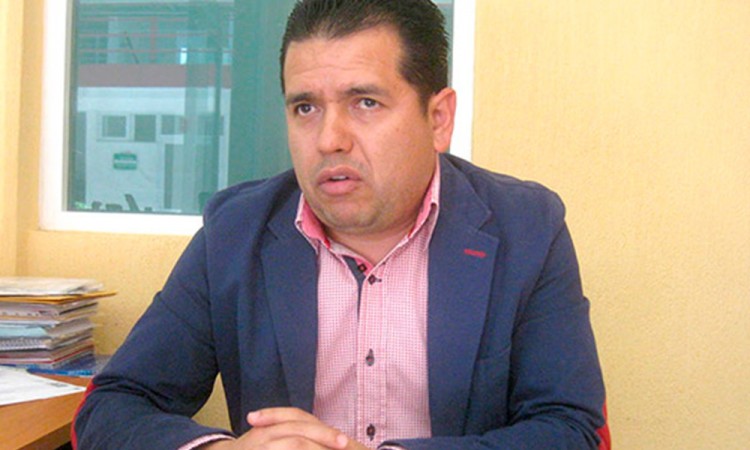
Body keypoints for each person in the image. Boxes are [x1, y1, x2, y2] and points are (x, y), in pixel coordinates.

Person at [73, 0, 608, 449]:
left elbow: (574, 430)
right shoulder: (235, 232)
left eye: (365, 102)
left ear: (438, 118)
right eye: (305, 108)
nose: (330, 139)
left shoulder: (525, 229)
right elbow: (111, 407)